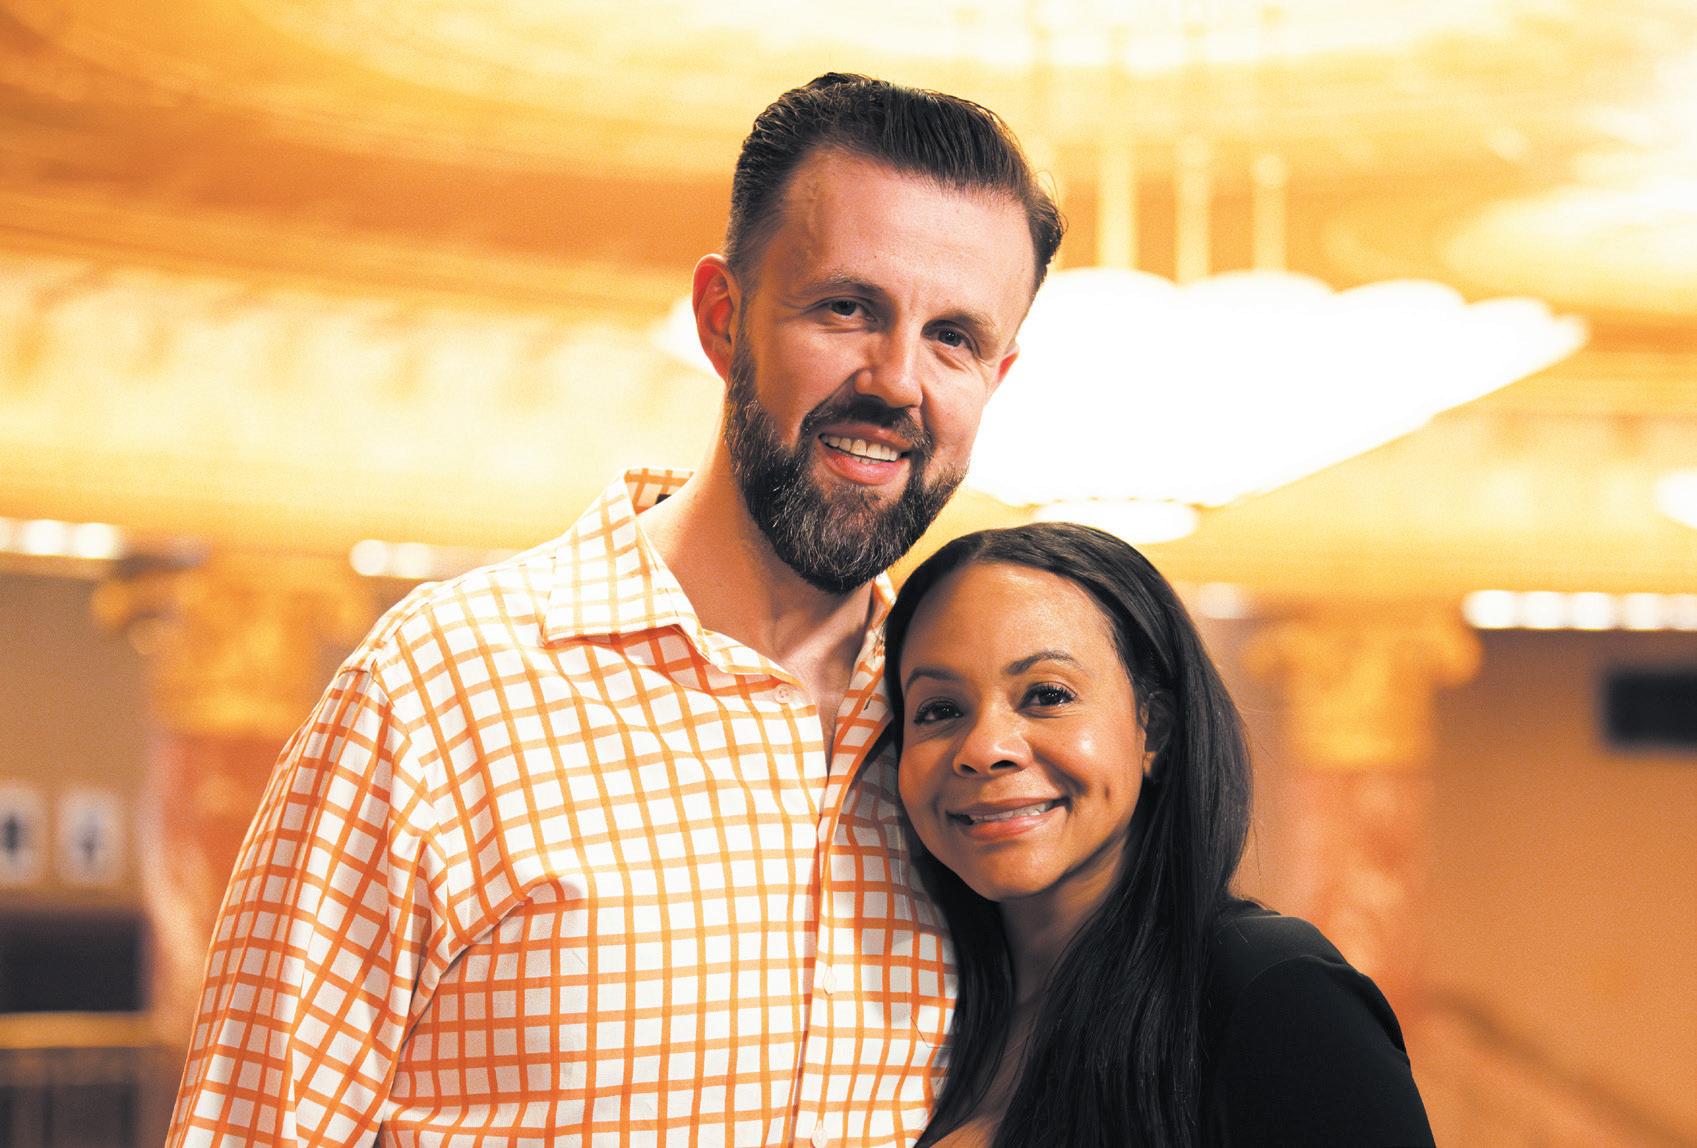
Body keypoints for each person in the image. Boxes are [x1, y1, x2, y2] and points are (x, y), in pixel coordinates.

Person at [167, 75, 1063, 1147]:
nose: (896, 381)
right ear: (721, 319)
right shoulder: (436, 693)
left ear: (997, 375)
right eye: (846, 307)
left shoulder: (970, 758)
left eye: (953, 337)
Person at [882, 523, 1436, 1147]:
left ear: (1156, 729)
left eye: (1047, 695)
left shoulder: (1276, 993)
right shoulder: (926, 1014)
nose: (984, 748)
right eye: (939, 709)